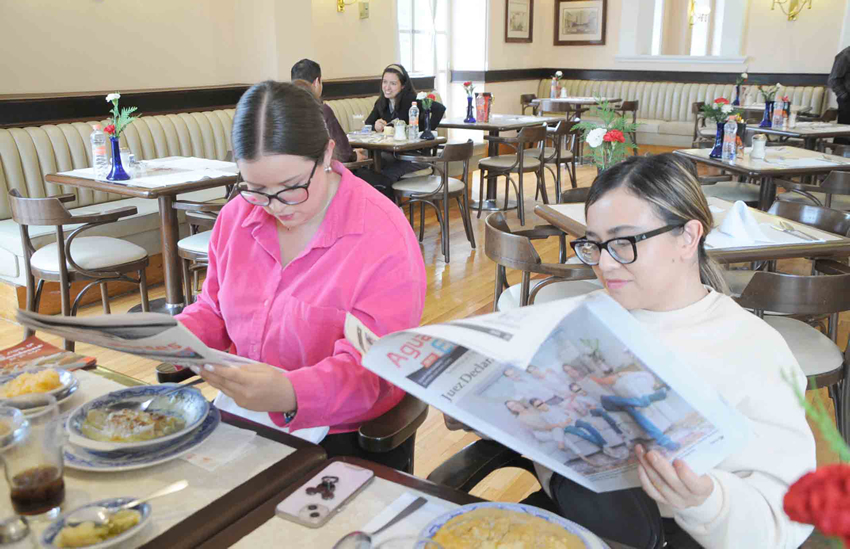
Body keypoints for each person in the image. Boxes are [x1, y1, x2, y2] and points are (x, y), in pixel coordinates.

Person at [447, 154, 817, 548]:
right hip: (564, 523)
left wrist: (709, 501)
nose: (605, 264)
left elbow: (787, 517)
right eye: (595, 244)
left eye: (624, 243)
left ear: (688, 237)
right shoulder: (581, 320)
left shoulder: (753, 349)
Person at [178, 81, 427, 470]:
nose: (274, 206)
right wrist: (175, 336)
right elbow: (214, 306)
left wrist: (289, 392)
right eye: (257, 188)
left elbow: (373, 368)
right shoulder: (237, 217)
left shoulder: (381, 234)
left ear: (327, 154)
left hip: (344, 439)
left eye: (291, 188)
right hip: (248, 422)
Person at [364, 64, 447, 182]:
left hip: (417, 157)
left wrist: (425, 131)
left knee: (385, 174)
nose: (387, 87)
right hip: (393, 155)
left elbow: (439, 109)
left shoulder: (413, 100)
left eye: (393, 83)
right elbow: (367, 126)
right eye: (385, 82)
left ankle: (387, 199)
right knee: (369, 168)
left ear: (403, 85)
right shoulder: (381, 103)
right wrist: (375, 126)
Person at [290, 59, 368, 164]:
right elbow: (343, 153)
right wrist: (354, 156)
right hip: (324, 173)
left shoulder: (286, 111)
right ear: (317, 82)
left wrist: (351, 153)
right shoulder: (322, 110)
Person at [828, 46, 850, 144]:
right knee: (844, 139)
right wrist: (845, 96)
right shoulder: (846, 54)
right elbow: (833, 80)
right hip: (848, 103)